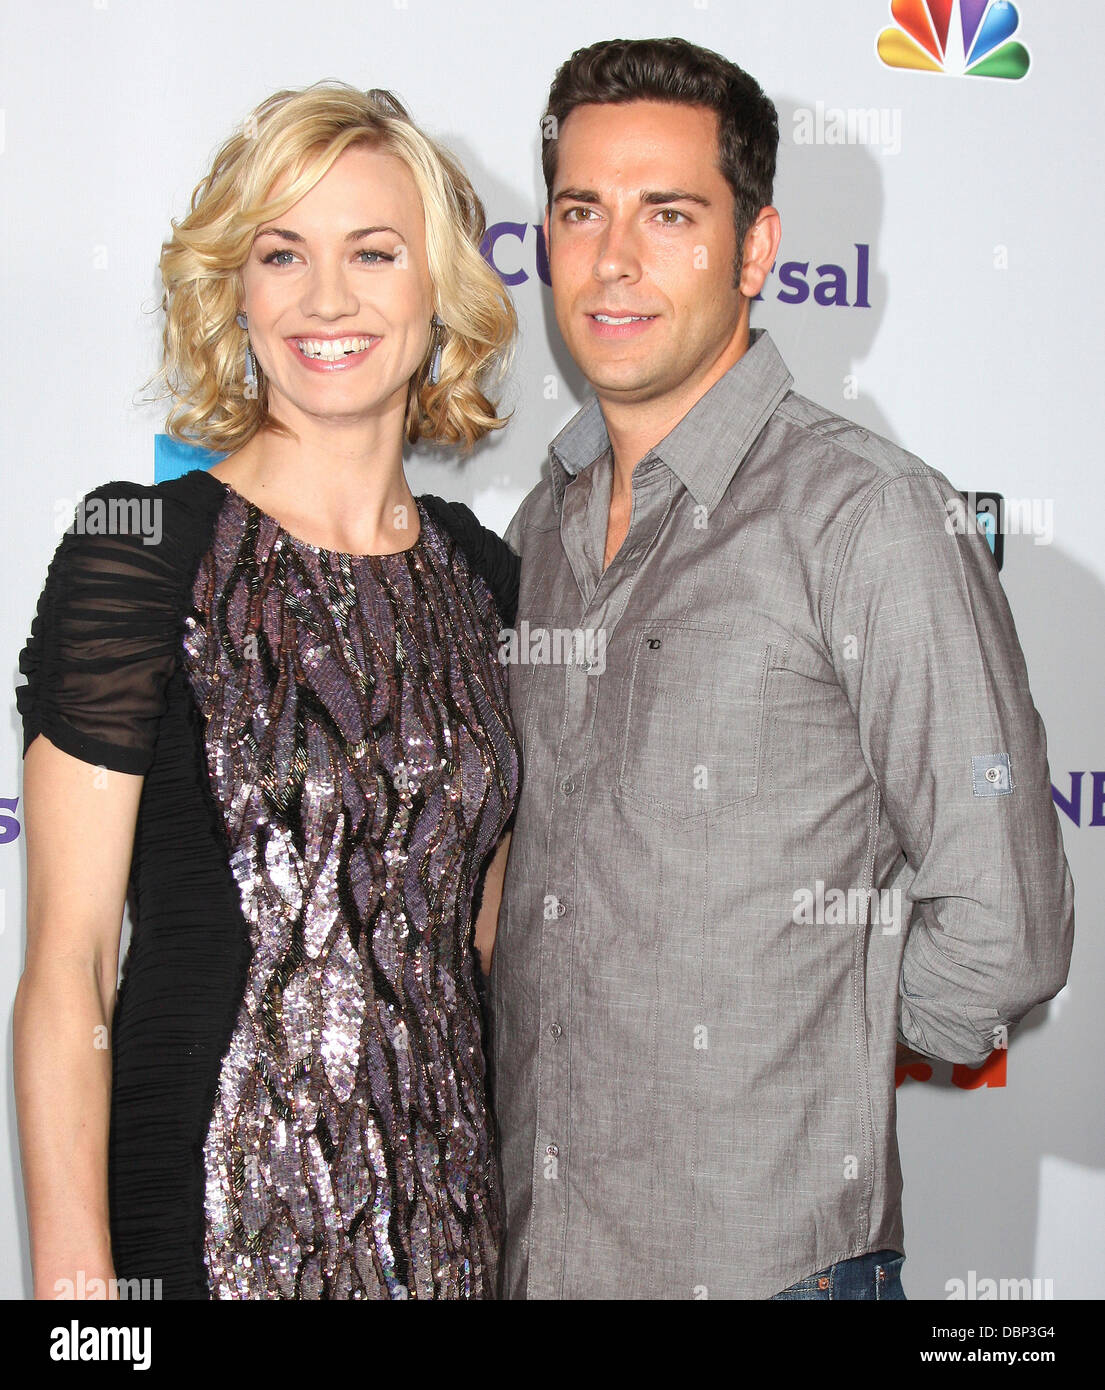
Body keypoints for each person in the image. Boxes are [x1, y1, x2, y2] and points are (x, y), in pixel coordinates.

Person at [480, 37, 1075, 1300]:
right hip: (536, 1260)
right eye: (580, 211)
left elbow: (1005, 924)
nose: (614, 259)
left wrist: (826, 1038)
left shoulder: (865, 518)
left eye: (670, 214)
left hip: (770, 1272)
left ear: (757, 251)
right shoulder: (535, 530)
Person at [13, 81, 521, 1300]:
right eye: (280, 253)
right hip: (202, 1228)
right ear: (232, 290)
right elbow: (69, 964)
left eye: (373, 252)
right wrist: (79, 1312)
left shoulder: (493, 582)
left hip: (455, 1234)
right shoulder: (138, 551)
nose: (326, 299)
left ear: (438, 290)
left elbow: (489, 949)